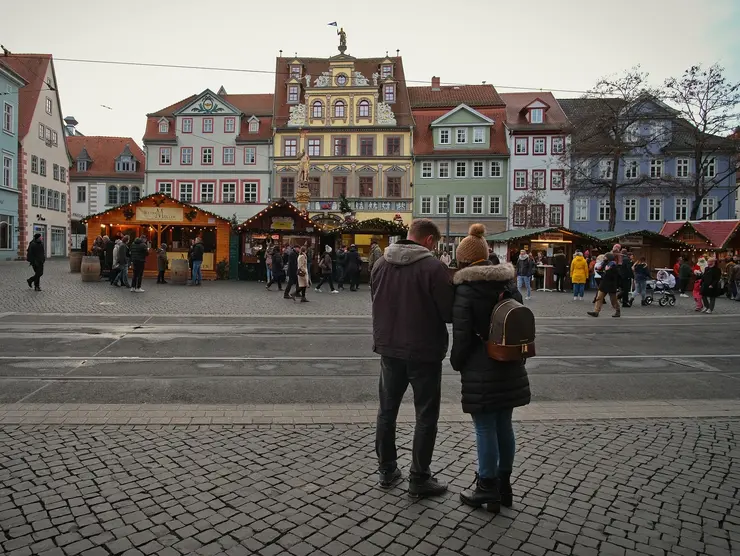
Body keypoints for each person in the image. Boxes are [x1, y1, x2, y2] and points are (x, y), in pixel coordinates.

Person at [449, 224, 530, 513]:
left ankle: (486, 485)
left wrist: (456, 362)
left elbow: (461, 338)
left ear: (465, 260)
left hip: (480, 367)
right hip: (509, 363)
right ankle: (504, 486)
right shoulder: (507, 284)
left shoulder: (467, 291)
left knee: (484, 427)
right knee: (504, 424)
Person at [371, 219, 454, 497]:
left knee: (387, 410)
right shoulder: (434, 267)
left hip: (389, 348)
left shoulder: (381, 264)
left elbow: (375, 298)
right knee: (426, 414)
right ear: (429, 240)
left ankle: (386, 468)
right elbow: (449, 312)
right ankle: (419, 477)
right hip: (424, 350)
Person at [588, 253, 620, 317]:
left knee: (613, 300)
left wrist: (604, 273)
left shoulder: (613, 265)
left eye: (605, 257)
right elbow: (599, 269)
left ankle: (617, 310)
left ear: (609, 258)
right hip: (604, 283)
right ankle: (596, 311)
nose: (604, 258)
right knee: (599, 297)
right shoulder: (604, 263)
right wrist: (602, 273)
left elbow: (613, 275)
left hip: (611, 284)